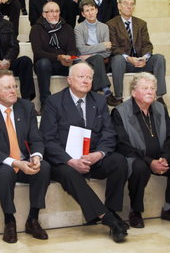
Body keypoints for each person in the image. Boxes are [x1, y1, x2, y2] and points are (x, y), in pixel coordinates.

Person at [40, 62, 128, 243]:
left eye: (89, 77)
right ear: (69, 80)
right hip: (64, 162)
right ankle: (107, 218)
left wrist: (100, 154)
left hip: (92, 157)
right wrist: (71, 161)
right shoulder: (54, 102)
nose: (86, 80)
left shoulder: (99, 100)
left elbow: (109, 132)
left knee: (119, 161)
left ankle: (112, 210)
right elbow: (48, 139)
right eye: (81, 76)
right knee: (69, 173)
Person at [0, 70, 50, 243]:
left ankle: (33, 218)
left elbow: (36, 138)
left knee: (43, 167)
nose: (13, 90)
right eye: (7, 87)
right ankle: (9, 219)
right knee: (5, 172)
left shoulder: (26, 107)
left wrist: (36, 157)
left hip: (23, 161)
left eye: (15, 86)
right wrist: (15, 162)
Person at [112, 73, 170, 228]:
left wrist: (165, 157)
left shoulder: (160, 108)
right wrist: (150, 162)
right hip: (135, 157)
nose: (150, 91)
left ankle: (169, 208)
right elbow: (123, 145)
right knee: (139, 167)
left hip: (159, 156)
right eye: (145, 88)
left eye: (153, 88)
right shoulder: (120, 112)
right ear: (134, 92)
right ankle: (136, 211)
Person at [107, 0, 167, 106]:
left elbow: (147, 45)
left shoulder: (141, 23)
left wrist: (144, 58)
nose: (129, 7)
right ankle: (118, 97)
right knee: (117, 59)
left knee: (159, 58)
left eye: (132, 4)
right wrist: (129, 59)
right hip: (124, 63)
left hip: (141, 62)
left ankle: (159, 97)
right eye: (125, 4)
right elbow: (114, 47)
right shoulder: (111, 24)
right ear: (119, 6)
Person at [30, 1, 76, 110]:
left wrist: (69, 57)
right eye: (50, 12)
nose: (54, 14)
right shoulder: (36, 28)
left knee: (79, 64)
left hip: (63, 63)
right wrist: (58, 57)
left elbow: (72, 49)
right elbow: (38, 52)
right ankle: (45, 103)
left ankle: (78, 100)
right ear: (44, 14)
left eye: (56, 11)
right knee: (43, 63)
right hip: (44, 64)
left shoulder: (67, 28)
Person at [74, 0, 116, 104]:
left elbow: (107, 51)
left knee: (97, 59)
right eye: (87, 11)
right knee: (97, 58)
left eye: (92, 9)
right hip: (84, 60)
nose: (90, 13)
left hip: (97, 59)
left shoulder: (104, 27)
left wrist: (90, 53)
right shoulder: (78, 28)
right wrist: (102, 46)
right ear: (83, 14)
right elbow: (81, 49)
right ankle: (106, 91)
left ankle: (95, 93)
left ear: (96, 10)